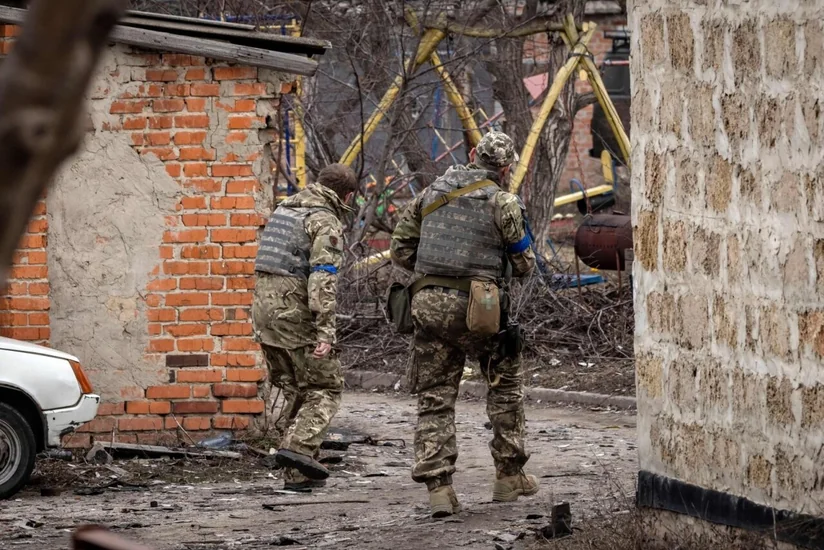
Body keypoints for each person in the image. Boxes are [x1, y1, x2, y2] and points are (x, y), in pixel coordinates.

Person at [390, 131, 538, 517]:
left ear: (472, 154)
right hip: (481, 307)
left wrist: (437, 272)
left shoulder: (430, 194)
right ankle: (508, 477)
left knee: (435, 395)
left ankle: (439, 488)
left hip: (427, 303)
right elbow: (524, 264)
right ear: (506, 168)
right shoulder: (503, 202)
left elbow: (400, 250)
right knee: (504, 387)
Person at [252, 163, 357, 491]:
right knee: (326, 387)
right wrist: (325, 331)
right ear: (347, 196)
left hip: (264, 313)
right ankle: (297, 450)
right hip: (295, 314)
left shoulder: (283, 211)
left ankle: (297, 475)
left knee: (299, 389)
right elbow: (323, 279)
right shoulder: (324, 220)